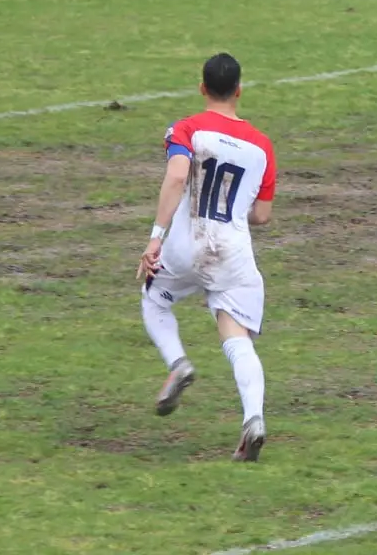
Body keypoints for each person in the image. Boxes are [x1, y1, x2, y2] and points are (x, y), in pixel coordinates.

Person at [135, 52, 277, 460]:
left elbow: (178, 176)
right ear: (239, 91)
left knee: (154, 297)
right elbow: (262, 216)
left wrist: (154, 238)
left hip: (185, 242)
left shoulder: (188, 129)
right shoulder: (263, 146)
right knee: (238, 340)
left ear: (202, 88)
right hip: (231, 249)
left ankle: (178, 363)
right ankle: (253, 419)